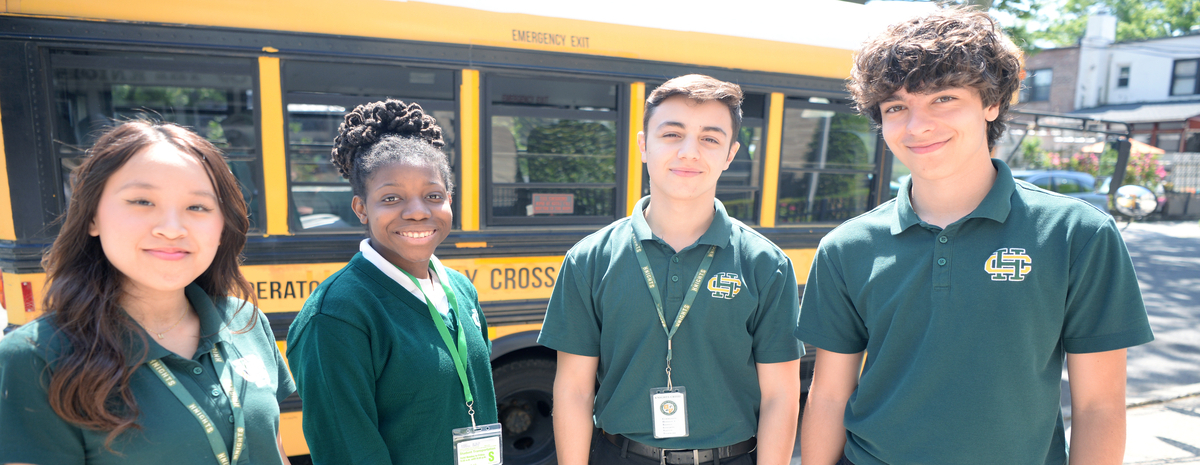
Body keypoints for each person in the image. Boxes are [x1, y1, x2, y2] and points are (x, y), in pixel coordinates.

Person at [796, 8, 1154, 465]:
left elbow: (1099, 407)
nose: (916, 125)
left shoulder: (1077, 233)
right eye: (896, 107)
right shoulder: (847, 246)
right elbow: (827, 397)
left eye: (943, 99)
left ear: (992, 103)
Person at [540, 74, 802, 465]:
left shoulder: (766, 264)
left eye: (710, 139)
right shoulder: (589, 259)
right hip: (620, 455)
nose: (689, 152)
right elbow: (574, 390)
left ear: (730, 154)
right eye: (672, 134)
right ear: (644, 145)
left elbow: (780, 395)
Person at [0, 121, 295, 464]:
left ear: (222, 225)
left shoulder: (245, 321)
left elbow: (273, 451)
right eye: (142, 201)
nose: (171, 228)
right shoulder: (35, 358)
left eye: (197, 207)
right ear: (92, 216)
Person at [286, 99, 497, 464]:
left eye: (433, 195)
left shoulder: (461, 289)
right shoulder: (337, 315)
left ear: (449, 200)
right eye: (391, 198)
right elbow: (347, 451)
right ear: (361, 208)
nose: (417, 211)